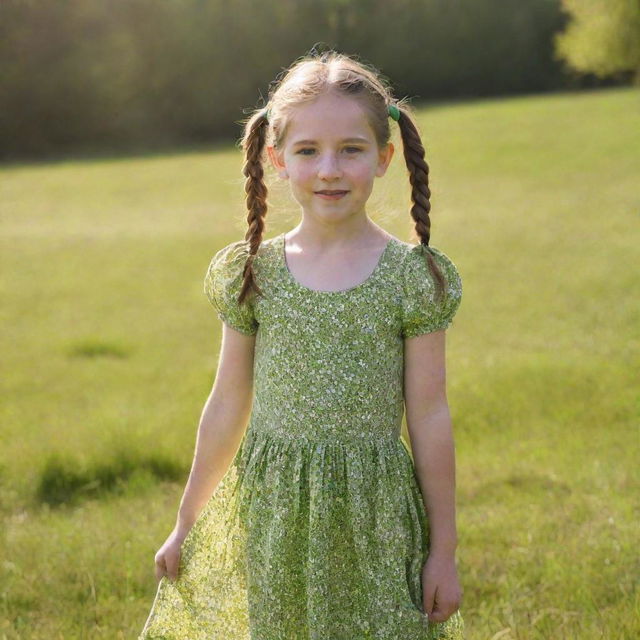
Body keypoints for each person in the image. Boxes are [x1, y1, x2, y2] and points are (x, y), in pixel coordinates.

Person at [138, 47, 465, 639]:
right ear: (277, 159)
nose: (330, 169)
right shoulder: (254, 274)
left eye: (351, 150)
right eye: (308, 150)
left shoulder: (413, 279)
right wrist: (187, 522)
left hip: (376, 514)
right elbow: (226, 402)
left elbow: (431, 413)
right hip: (275, 511)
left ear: (385, 157)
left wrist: (444, 549)